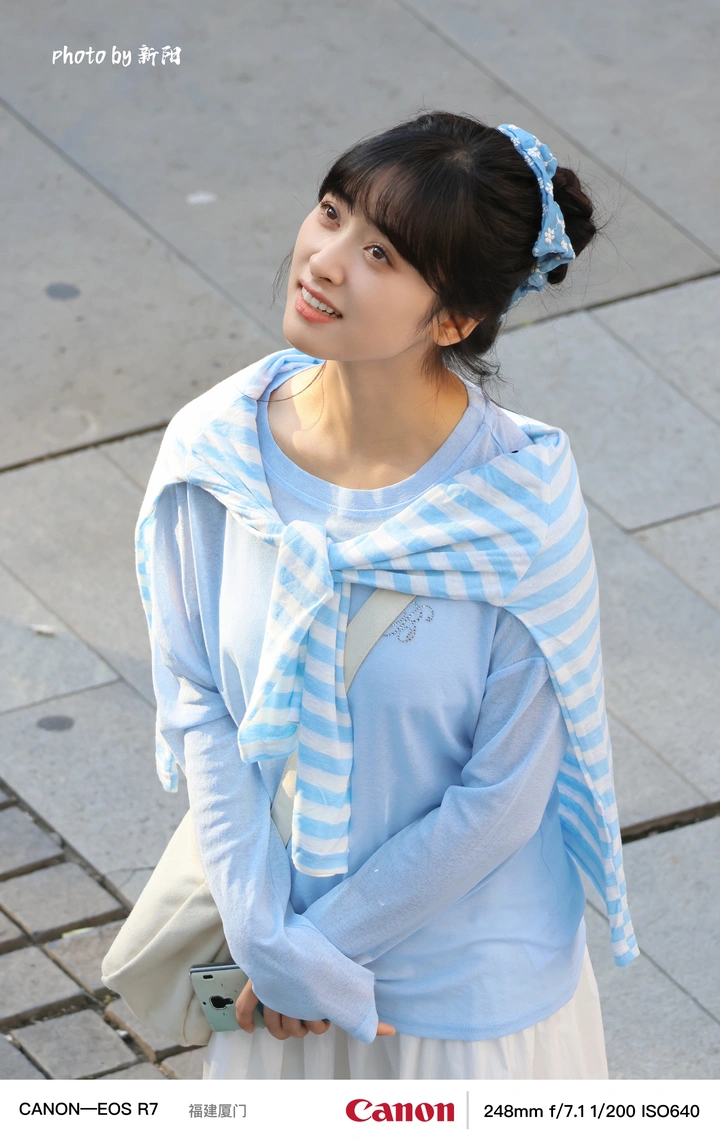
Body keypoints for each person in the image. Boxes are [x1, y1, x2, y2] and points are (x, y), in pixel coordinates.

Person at [136, 111, 637, 1080]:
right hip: (277, 980)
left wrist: (316, 950)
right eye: (332, 213)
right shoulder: (216, 450)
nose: (324, 261)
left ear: (452, 319)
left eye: (381, 254)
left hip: (460, 1007)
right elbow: (197, 695)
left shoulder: (518, 507)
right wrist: (265, 935)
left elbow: (503, 795)